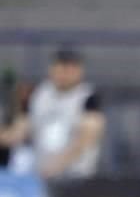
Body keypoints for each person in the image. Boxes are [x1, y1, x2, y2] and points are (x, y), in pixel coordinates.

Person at [0, 49, 104, 178]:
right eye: (61, 68)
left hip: (76, 176)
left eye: (70, 69)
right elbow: (19, 131)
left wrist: (58, 164)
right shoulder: (38, 94)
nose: (65, 74)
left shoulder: (88, 97)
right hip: (41, 174)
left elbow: (86, 138)